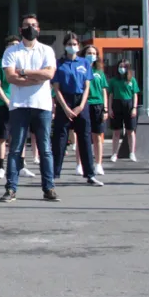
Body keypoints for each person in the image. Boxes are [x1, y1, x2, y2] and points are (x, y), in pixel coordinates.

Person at [0, 14, 58, 203]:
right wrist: (36, 78)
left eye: (33, 25)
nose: (30, 28)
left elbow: (49, 73)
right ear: (20, 30)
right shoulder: (11, 52)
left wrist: (23, 72)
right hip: (19, 106)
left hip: (42, 106)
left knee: (45, 149)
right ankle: (11, 189)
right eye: (26, 25)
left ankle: (49, 188)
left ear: (38, 29)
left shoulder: (47, 50)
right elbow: (10, 77)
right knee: (15, 148)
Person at [51, 33, 101, 187]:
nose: (72, 46)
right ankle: (53, 174)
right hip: (64, 101)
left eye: (75, 44)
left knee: (85, 139)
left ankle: (90, 174)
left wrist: (81, 106)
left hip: (81, 102)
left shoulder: (84, 63)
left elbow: (87, 86)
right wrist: (65, 107)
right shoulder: (58, 64)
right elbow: (56, 87)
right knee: (60, 139)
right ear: (65, 46)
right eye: (70, 44)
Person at [0, 35, 34, 181]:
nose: (14, 47)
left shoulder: (23, 63)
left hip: (21, 104)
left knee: (19, 136)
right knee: (2, 137)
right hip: (5, 105)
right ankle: (1, 167)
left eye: (17, 44)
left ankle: (21, 166)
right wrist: (7, 101)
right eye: (11, 45)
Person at [83, 45, 108, 176]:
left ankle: (98, 164)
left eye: (93, 53)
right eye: (89, 52)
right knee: (84, 136)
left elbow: (104, 90)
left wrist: (105, 108)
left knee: (97, 136)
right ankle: (81, 164)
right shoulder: (81, 69)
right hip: (85, 104)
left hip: (98, 105)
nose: (91, 55)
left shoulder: (99, 72)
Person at [109, 60, 139, 162]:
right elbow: (111, 95)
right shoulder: (113, 81)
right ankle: (114, 154)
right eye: (120, 66)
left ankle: (132, 153)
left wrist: (134, 108)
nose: (122, 68)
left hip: (129, 104)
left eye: (124, 67)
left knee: (130, 130)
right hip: (117, 104)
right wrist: (109, 108)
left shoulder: (132, 80)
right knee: (116, 131)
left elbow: (135, 94)